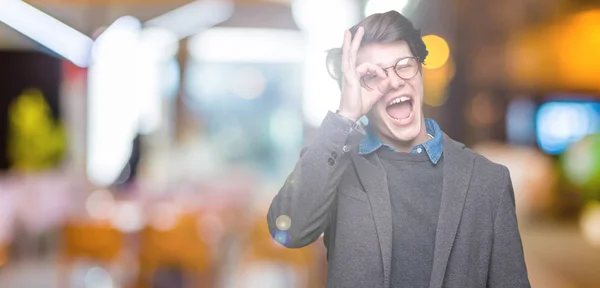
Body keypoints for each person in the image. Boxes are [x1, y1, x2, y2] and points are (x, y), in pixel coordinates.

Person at [267, 10, 530, 288]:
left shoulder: (488, 181)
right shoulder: (338, 167)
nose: (393, 81)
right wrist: (345, 116)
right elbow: (287, 229)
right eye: (372, 75)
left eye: (403, 65)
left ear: (421, 70)